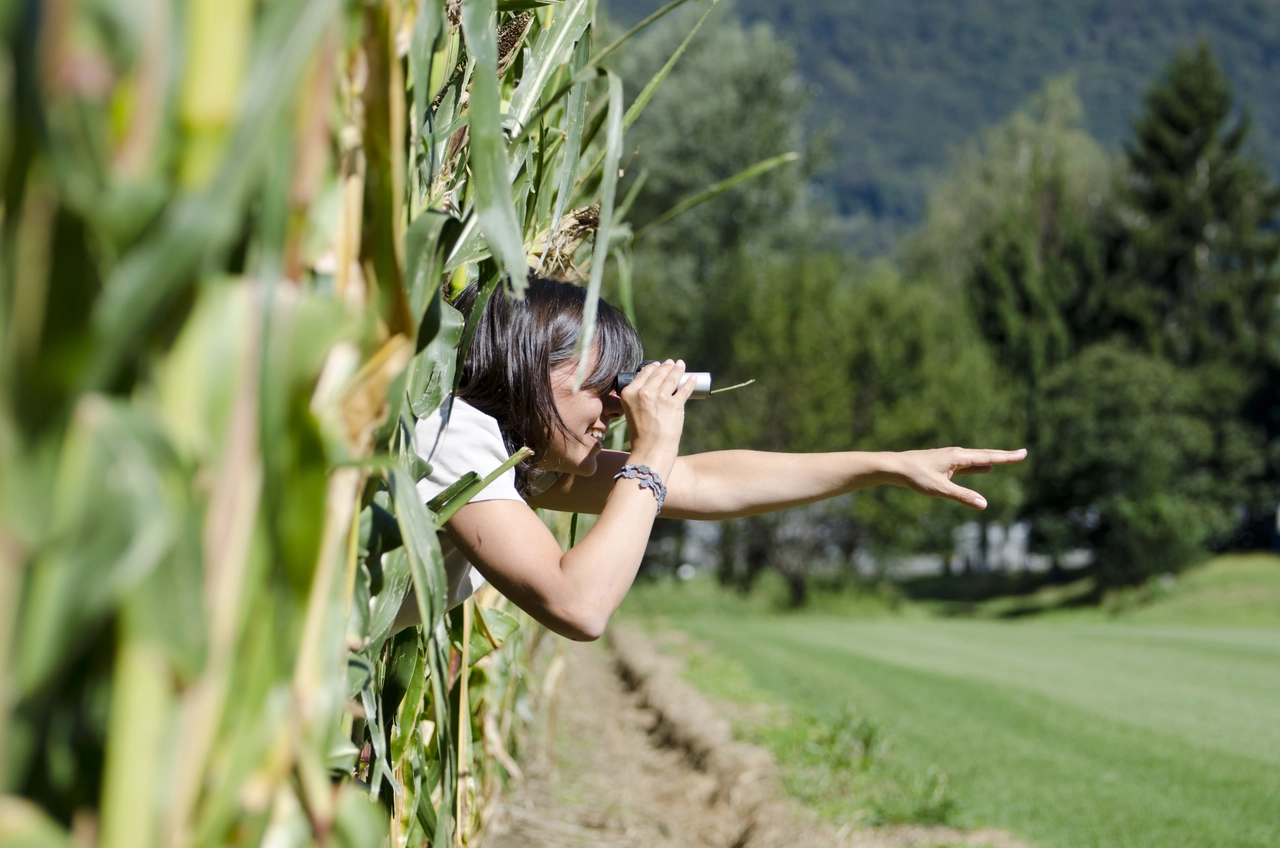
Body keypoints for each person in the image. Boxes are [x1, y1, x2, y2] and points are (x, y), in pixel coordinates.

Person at [410, 276, 1025, 641]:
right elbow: (578, 604)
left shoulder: (513, 460)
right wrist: (652, 448)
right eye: (603, 388)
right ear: (531, 364)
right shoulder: (453, 438)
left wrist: (884, 465)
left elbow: (704, 482)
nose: (615, 412)